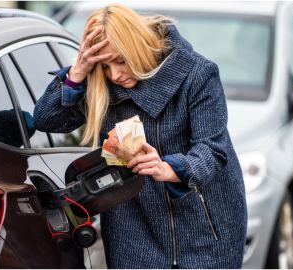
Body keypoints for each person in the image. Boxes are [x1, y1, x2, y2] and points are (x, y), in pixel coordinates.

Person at [34, 3, 247, 269]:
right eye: (104, 65)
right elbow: (46, 119)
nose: (115, 74)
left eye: (121, 60)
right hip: (132, 230)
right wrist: (78, 72)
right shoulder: (101, 83)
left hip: (204, 226)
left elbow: (213, 148)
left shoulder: (197, 73)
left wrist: (170, 168)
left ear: (137, 45)